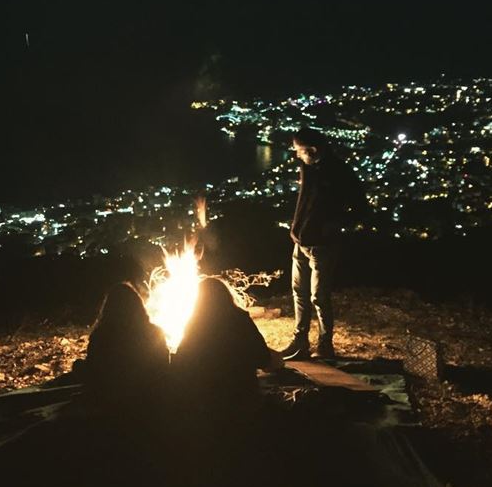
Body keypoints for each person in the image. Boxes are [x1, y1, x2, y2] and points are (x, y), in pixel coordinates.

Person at [280, 127, 368, 360]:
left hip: (322, 245)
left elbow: (362, 209)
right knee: (299, 292)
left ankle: (324, 345)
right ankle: (300, 342)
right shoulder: (307, 168)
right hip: (300, 241)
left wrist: (333, 224)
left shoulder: (340, 173)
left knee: (319, 296)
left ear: (314, 150)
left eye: (300, 151)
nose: (297, 155)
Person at [173, 278, 282, 410]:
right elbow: (263, 359)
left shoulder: (195, 324)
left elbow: (179, 362)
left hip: (203, 400)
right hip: (240, 398)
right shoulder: (240, 320)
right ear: (227, 296)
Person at [81, 282, 170, 407]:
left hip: (111, 399)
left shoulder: (101, 335)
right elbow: (164, 364)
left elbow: (94, 368)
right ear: (139, 306)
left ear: (109, 308)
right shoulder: (155, 332)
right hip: (148, 397)